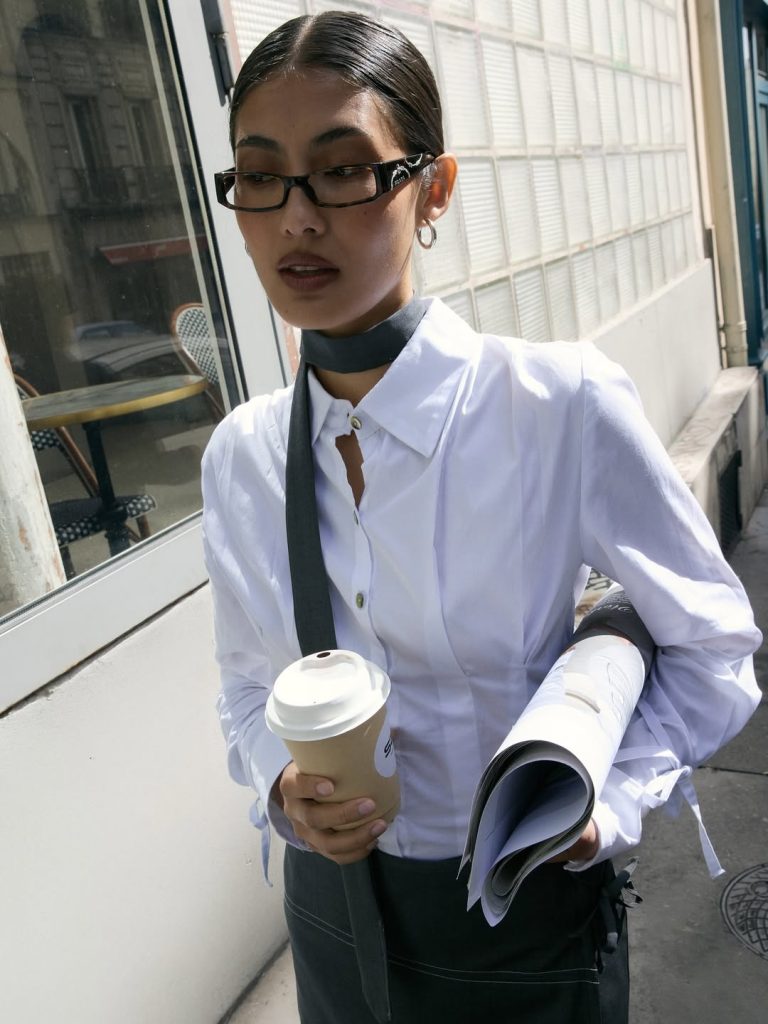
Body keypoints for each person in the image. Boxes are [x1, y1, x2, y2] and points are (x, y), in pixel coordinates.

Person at [201, 11, 761, 1024]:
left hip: (523, 924)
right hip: (332, 925)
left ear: (434, 188)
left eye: (342, 170)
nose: (296, 219)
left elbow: (713, 644)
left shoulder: (554, 407)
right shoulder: (242, 457)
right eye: (260, 177)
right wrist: (283, 786)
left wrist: (607, 800)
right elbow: (246, 686)